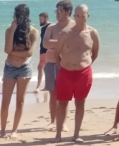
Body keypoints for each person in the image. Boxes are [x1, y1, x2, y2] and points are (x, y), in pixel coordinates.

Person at [49, 4, 99, 144]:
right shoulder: (65, 33)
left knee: (80, 104)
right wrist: (64, 65)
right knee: (62, 104)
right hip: (66, 73)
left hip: (84, 73)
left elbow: (95, 53)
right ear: (74, 16)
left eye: (83, 16)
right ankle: (58, 134)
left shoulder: (93, 33)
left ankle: (76, 134)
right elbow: (57, 53)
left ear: (87, 16)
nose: (80, 19)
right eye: (77, 16)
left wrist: (85, 64)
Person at [1, 4, 39, 139]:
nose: (18, 18)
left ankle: (14, 130)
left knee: (20, 101)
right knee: (5, 101)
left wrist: (14, 52)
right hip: (10, 67)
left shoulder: (34, 32)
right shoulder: (9, 31)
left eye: (20, 16)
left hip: (24, 68)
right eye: (16, 16)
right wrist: (12, 30)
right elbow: (6, 50)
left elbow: (29, 53)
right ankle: (3, 130)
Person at [42, 1, 74, 131]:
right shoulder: (51, 27)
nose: (57, 13)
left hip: (66, 64)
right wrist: (62, 42)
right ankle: (53, 121)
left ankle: (64, 122)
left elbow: (74, 44)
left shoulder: (74, 26)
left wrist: (55, 45)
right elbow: (45, 44)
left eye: (59, 11)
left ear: (67, 12)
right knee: (53, 94)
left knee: (64, 95)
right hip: (51, 64)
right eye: (56, 11)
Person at [35, 12, 51, 93]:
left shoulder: (50, 27)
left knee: (42, 67)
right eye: (40, 19)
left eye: (41, 19)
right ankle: (45, 86)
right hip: (42, 50)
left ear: (46, 18)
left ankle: (40, 86)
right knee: (43, 68)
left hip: (47, 51)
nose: (40, 21)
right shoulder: (43, 28)